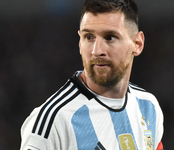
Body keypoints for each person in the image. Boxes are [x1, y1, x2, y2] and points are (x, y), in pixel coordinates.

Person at [20, 0, 164, 149]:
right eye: (89, 37)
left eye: (110, 37)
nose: (97, 50)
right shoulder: (53, 121)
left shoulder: (149, 106)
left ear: (137, 44)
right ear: (80, 43)